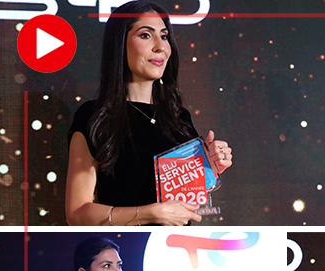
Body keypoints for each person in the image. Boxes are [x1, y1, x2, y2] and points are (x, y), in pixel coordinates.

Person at [66, 0, 233, 226]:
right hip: (127, 241)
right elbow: (77, 213)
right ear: (120, 44)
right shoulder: (94, 116)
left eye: (164, 36)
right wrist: (150, 214)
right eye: (146, 35)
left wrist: (209, 168)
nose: (160, 46)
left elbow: (187, 201)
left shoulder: (179, 118)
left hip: (177, 242)